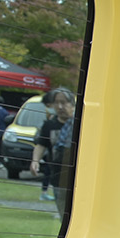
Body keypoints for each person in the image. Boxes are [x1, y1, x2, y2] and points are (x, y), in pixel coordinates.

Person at [30, 88, 77, 217]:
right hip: (58, 177)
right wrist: (35, 161)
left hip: (79, 177)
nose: (60, 106)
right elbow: (41, 145)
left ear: (72, 104)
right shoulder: (49, 125)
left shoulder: (81, 123)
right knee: (64, 216)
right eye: (56, 102)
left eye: (64, 102)